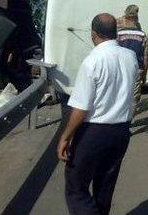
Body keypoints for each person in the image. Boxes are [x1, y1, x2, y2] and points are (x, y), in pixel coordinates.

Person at [58, 13, 138, 215]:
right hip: (121, 131)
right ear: (115, 33)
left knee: (76, 188)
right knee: (104, 187)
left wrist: (65, 137)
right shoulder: (130, 57)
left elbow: (80, 108)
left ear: (93, 34)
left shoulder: (92, 61)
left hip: (94, 132)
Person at [117, 5, 148, 106]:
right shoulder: (141, 32)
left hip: (121, 65)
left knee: (120, 91)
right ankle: (130, 118)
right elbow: (145, 54)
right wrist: (145, 73)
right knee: (134, 94)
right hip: (136, 65)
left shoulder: (118, 29)